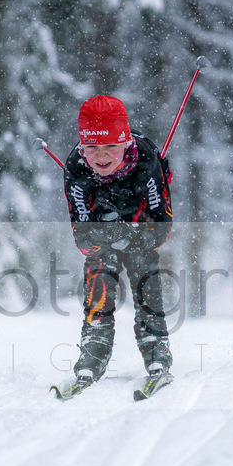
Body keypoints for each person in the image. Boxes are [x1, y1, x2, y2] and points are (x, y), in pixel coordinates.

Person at [63, 95, 173, 385]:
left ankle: (156, 348)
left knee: (144, 270)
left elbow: (162, 224)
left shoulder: (147, 159)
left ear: (125, 142)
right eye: (92, 147)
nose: (101, 156)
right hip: (103, 235)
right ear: (83, 147)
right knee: (99, 268)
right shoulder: (76, 167)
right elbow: (82, 235)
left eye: (111, 146)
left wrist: (136, 237)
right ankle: (94, 349)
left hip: (141, 232)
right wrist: (105, 236)